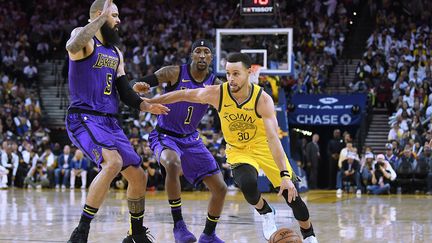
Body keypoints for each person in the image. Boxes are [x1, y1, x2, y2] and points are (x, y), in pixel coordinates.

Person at [145, 53, 318, 242]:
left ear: (249, 72)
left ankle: (309, 235)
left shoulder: (263, 99)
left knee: (293, 197)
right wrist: (149, 103)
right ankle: (265, 212)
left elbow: (273, 138)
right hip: (238, 150)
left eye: (236, 74)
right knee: (248, 186)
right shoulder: (218, 93)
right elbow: (184, 94)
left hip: (264, 147)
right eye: (228, 73)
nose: (231, 79)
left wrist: (285, 175)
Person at [64, 0, 169, 242]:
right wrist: (99, 19)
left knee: (138, 176)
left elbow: (123, 89)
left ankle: (136, 234)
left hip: (110, 121)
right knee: (112, 162)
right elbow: (73, 44)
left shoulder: (115, 51)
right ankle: (81, 231)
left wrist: (145, 105)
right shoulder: (84, 39)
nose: (119, 20)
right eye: (115, 15)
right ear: (100, 16)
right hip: (84, 117)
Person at [132, 39, 227, 243]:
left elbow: (233, 101)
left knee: (221, 188)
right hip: (165, 135)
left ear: (211, 57)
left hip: (192, 140)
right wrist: (140, 86)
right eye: (198, 51)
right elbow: (140, 83)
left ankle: (208, 235)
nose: (202, 55)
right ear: (191, 55)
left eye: (206, 52)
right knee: (172, 163)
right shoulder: (173, 72)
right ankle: (179, 226)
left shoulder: (215, 84)